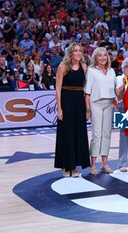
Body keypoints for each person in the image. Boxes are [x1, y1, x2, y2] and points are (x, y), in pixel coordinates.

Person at [55, 42, 90, 177]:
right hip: (66, 101)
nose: (78, 53)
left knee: (78, 133)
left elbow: (88, 89)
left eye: (80, 51)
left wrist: (87, 108)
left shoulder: (84, 67)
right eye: (75, 51)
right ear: (70, 53)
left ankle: (75, 166)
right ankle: (66, 165)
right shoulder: (63, 67)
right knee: (66, 133)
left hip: (79, 102)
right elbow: (58, 89)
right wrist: (59, 109)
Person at [85, 47, 117, 175]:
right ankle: (93, 165)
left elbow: (115, 90)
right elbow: (87, 93)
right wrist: (88, 109)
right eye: (100, 56)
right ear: (95, 58)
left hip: (109, 103)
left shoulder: (111, 71)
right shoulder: (91, 71)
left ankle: (105, 164)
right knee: (96, 134)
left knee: (106, 134)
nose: (103, 58)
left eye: (105, 55)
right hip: (96, 103)